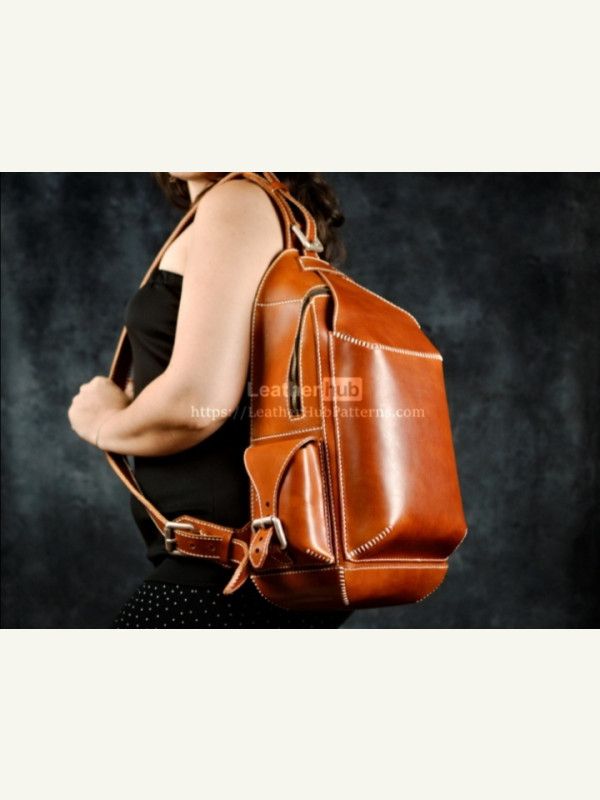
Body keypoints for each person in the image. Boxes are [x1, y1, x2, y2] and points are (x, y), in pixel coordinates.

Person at [68, 172, 352, 628]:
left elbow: (195, 407)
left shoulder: (238, 199)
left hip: (226, 570)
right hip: (248, 561)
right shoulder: (244, 209)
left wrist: (102, 423)